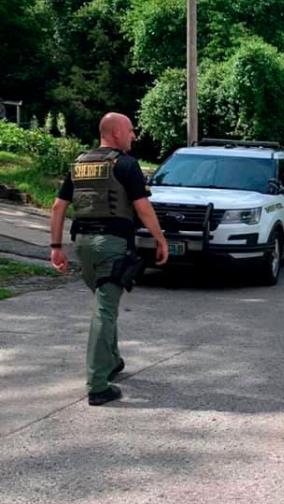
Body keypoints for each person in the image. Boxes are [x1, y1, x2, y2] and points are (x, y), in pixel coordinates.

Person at [49, 112, 169, 406]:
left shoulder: (79, 164)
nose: (134, 136)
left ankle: (112, 361)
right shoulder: (126, 165)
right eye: (130, 131)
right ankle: (98, 385)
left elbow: (57, 207)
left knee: (106, 302)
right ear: (116, 133)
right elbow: (142, 208)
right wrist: (160, 238)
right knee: (105, 310)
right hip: (112, 245)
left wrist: (56, 246)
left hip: (85, 246)